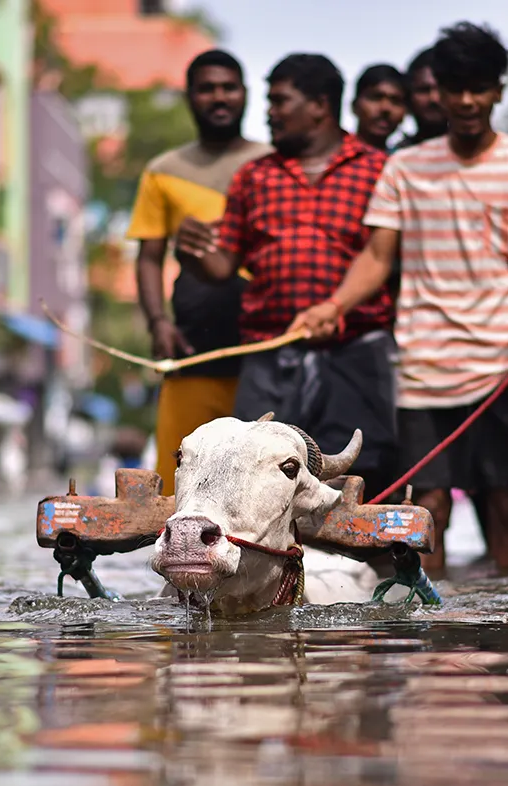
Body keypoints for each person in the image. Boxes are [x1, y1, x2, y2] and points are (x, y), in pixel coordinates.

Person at [290, 22, 508, 577]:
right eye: (454, 87)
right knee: (429, 511)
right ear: (437, 93)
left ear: (498, 90)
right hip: (425, 371)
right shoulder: (406, 167)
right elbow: (377, 257)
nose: (467, 100)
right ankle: (433, 642)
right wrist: (334, 306)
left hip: (507, 367)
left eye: (480, 87)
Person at [175, 53, 398, 496]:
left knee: (362, 480)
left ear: (319, 105)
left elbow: (383, 257)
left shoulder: (379, 169)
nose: (268, 111)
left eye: (280, 100)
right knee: (255, 482)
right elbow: (222, 266)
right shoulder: (254, 176)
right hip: (269, 355)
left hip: (354, 353)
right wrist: (192, 252)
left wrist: (335, 308)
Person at [127, 49, 272, 495]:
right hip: (192, 345)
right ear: (190, 97)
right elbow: (149, 257)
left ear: (245, 94)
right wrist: (157, 323)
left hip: (264, 350)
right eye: (207, 88)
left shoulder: (273, 164)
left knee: (261, 482)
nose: (219, 97)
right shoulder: (163, 172)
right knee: (177, 478)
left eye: (229, 87)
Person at [394, 46, 447, 150]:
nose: (434, 98)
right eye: (424, 90)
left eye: (441, 89)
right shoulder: (395, 159)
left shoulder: (477, 154)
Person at [351, 64, 407, 152]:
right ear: (354, 106)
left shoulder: (405, 162)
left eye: (395, 101)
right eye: (375, 98)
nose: (385, 108)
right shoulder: (329, 157)